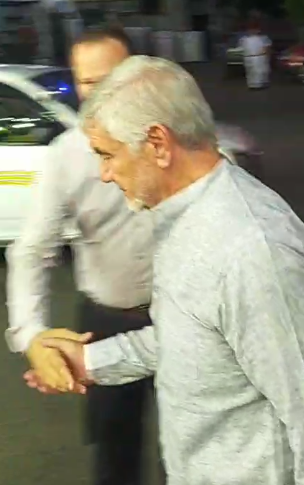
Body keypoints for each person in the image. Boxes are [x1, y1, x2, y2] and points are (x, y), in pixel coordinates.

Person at [30, 54, 304, 485]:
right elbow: (195, 335)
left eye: (108, 155)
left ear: (158, 143)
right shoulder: (184, 215)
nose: (105, 174)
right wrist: (89, 360)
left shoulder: (254, 253)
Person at [5, 28, 161, 485]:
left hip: (184, 318)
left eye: (110, 79)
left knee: (194, 448)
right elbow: (32, 250)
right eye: (87, 82)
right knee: (114, 454)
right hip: (107, 322)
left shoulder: (171, 139)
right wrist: (31, 335)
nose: (99, 93)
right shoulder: (67, 156)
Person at [239, 22, 271, 89]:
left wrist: (267, 56)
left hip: (259, 56)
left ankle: (259, 85)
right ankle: (252, 85)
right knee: (250, 71)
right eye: (250, 29)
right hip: (248, 57)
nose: (252, 31)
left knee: (259, 71)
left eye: (254, 29)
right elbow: (242, 49)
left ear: (258, 30)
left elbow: (266, 48)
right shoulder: (243, 39)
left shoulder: (263, 38)